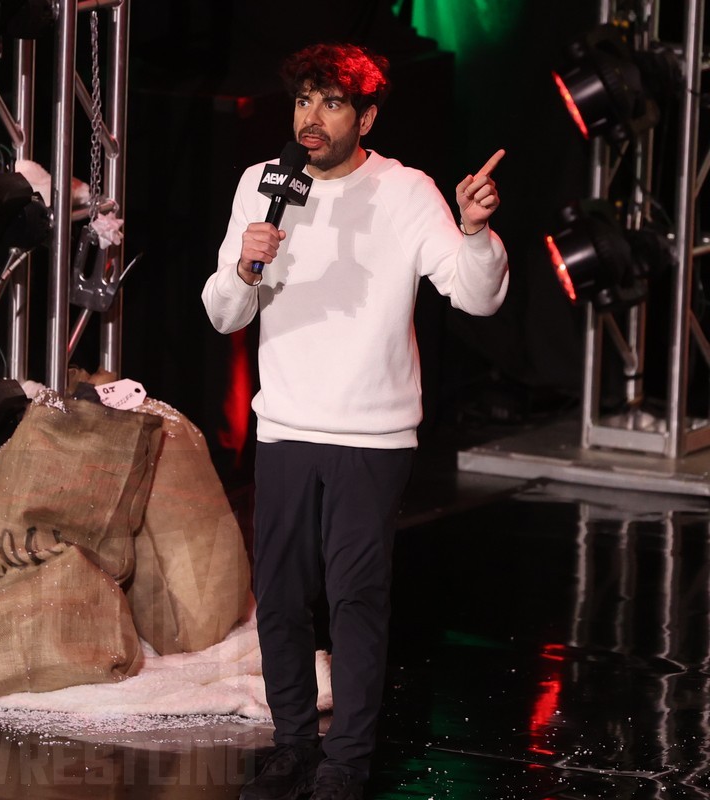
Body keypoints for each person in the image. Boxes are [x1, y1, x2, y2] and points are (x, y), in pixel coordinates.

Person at [201, 43, 508, 800]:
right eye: (304, 100)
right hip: (284, 428)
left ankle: (347, 763)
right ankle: (292, 744)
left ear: (365, 116)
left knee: (355, 600)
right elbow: (220, 312)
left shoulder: (404, 192)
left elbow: (476, 297)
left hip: (371, 436)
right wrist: (245, 265)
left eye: (331, 102)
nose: (311, 117)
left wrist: (473, 232)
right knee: (277, 597)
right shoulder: (261, 186)